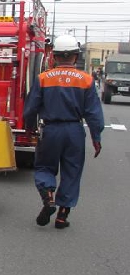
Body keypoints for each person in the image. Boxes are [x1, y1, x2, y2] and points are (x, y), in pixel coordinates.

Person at [23, 34, 104, 229]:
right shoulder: (86, 80)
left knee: (44, 167)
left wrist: (30, 128)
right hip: (75, 131)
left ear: (55, 56)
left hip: (50, 130)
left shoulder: (43, 78)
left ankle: (49, 197)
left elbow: (31, 108)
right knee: (72, 172)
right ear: (76, 56)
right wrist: (96, 137)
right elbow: (93, 113)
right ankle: (62, 216)